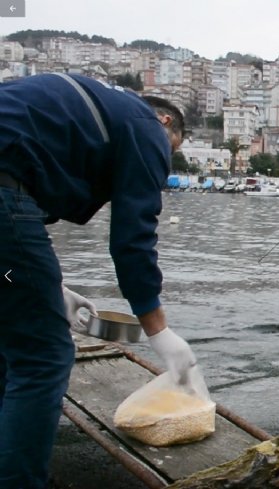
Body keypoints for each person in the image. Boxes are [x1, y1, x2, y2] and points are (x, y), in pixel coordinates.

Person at [0, 73, 199, 488]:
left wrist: (48, 287)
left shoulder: (90, 106)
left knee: (10, 341)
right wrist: (159, 332)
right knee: (43, 357)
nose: (164, 162)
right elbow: (133, 239)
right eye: (171, 152)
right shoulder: (145, 127)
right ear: (164, 121)